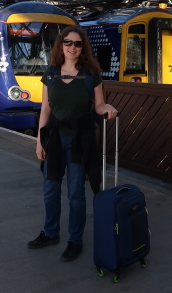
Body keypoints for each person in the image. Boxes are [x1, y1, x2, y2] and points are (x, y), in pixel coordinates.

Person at [27, 25, 118, 262]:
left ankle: (75, 241)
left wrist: (106, 108)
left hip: (80, 139)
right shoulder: (51, 73)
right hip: (54, 139)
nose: (73, 47)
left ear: (83, 47)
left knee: (76, 193)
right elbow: (45, 109)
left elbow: (98, 105)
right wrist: (39, 142)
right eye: (68, 42)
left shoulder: (91, 75)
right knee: (50, 190)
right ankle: (50, 233)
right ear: (61, 45)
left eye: (78, 44)